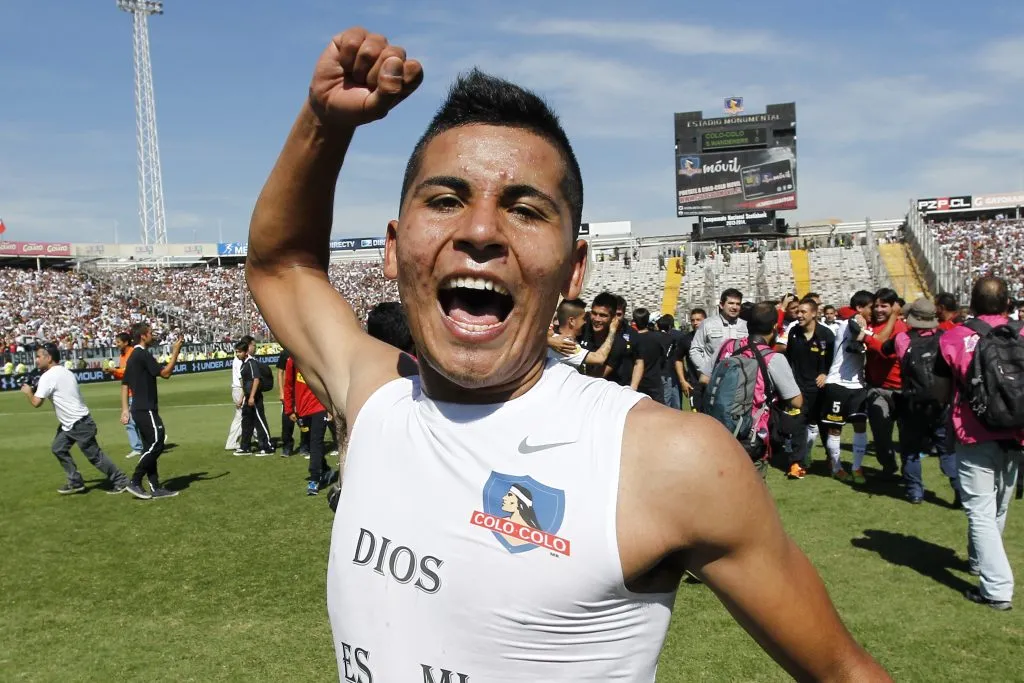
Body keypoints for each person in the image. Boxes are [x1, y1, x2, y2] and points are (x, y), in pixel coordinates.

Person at [247, 27, 889, 681]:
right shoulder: (372, 395)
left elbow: (842, 669)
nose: (479, 231)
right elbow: (281, 265)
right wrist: (323, 123)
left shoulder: (665, 458)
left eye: (525, 209)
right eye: (445, 200)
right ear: (392, 246)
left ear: (574, 268)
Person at [933, 276, 1022, 611]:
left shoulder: (954, 337)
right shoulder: (1021, 332)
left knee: (980, 510)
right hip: (1016, 431)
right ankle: (983, 563)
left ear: (971, 301)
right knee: (998, 506)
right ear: (1008, 302)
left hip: (973, 430)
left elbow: (941, 391)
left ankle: (997, 588)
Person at [22, 343, 136, 497]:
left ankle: (121, 480)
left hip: (77, 424)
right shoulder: (65, 372)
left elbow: (36, 402)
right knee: (58, 448)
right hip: (72, 423)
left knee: (95, 456)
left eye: (38, 356)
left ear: (48, 358)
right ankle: (75, 481)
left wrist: (28, 392)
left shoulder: (48, 376)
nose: (36, 360)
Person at [881, 298, 959, 505]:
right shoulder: (946, 338)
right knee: (947, 450)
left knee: (911, 450)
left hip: (912, 403)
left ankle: (915, 491)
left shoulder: (902, 339)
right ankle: (959, 489)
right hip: (942, 403)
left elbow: (884, 348)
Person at [120, 323, 183, 499]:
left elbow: (124, 384)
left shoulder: (133, 356)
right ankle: (135, 480)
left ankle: (155, 487)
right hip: (145, 408)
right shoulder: (142, 354)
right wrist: (176, 351)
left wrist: (125, 409)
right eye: (150, 333)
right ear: (143, 336)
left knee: (150, 447)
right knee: (158, 442)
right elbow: (165, 374)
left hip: (139, 408)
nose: (152, 335)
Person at [821, 291, 875, 482]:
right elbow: (854, 330)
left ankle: (857, 468)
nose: (874, 310)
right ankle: (836, 467)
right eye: (871, 307)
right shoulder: (846, 325)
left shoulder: (867, 327)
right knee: (835, 429)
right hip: (838, 384)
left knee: (861, 427)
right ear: (860, 308)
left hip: (858, 385)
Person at [783, 298, 835, 478]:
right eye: (798, 312)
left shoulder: (826, 335)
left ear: (814, 313)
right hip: (799, 389)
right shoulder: (794, 332)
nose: (799, 315)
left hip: (821, 390)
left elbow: (835, 361)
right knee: (798, 425)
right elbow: (789, 359)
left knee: (825, 425)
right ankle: (796, 464)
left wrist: (825, 373)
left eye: (803, 312)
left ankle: (832, 460)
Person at [282, 352, 337, 495]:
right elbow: (288, 385)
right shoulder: (291, 361)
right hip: (302, 410)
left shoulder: (318, 358)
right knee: (311, 445)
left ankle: (314, 479)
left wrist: (331, 407)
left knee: (316, 442)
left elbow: (329, 383)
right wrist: (289, 410)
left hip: (320, 407)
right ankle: (325, 470)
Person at [690, 288, 747, 385]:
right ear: (721, 305)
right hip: (714, 380)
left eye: (738, 304)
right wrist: (706, 371)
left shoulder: (745, 325)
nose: (734, 307)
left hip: (739, 380)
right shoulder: (707, 324)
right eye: (731, 303)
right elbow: (695, 350)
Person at [104, 331, 142, 458]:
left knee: (130, 420)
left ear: (126, 342)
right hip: (129, 392)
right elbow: (124, 375)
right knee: (134, 420)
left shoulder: (132, 353)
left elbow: (129, 371)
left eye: (118, 342)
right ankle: (149, 441)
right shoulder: (123, 355)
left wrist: (115, 370)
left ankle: (139, 446)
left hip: (136, 391)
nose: (116, 344)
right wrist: (113, 372)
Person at [234, 340, 274, 456]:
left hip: (255, 397)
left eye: (239, 352)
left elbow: (256, 379)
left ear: (246, 352)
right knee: (246, 422)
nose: (237, 354)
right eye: (236, 352)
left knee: (260, 421)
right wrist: (242, 398)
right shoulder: (243, 364)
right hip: (248, 397)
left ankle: (267, 447)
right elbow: (245, 384)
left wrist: (251, 396)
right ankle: (245, 447)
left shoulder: (251, 363)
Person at [225, 335, 255, 451]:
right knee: (241, 416)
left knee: (248, 415)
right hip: (240, 389)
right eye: (253, 345)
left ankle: (260, 438)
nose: (254, 347)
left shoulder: (242, 358)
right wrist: (243, 395)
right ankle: (231, 442)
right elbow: (242, 379)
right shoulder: (240, 360)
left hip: (240, 389)